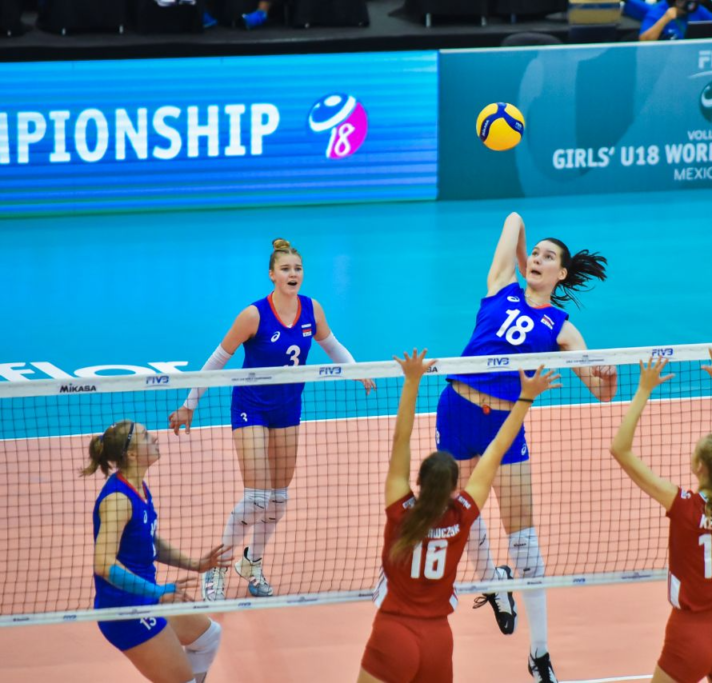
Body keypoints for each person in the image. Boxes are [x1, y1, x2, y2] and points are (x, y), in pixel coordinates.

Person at [436, 212, 618, 683]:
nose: (537, 258)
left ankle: (539, 653)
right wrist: (523, 260)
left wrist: (608, 379)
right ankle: (495, 584)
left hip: (506, 422)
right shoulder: (501, 285)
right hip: (457, 410)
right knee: (459, 516)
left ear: (562, 273)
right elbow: (514, 219)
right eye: (535, 253)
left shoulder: (562, 328)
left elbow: (600, 392)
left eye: (547, 257)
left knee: (524, 541)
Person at [169, 238, 374, 601]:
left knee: (278, 499)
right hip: (251, 407)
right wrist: (189, 404)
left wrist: (356, 370)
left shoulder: (312, 309)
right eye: (286, 269)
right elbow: (217, 360)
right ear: (272, 275)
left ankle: (252, 562)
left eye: (298, 268)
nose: (293, 274)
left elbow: (332, 344)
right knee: (257, 498)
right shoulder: (253, 316)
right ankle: (217, 568)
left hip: (288, 408)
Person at [358, 350, 558, 683]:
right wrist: (525, 398)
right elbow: (495, 451)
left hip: (393, 632)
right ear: (456, 487)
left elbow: (400, 439)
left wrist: (412, 381)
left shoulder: (399, 513)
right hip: (437, 639)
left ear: (417, 481)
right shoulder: (460, 519)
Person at [610, 345, 712, 683]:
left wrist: (644, 389)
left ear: (699, 467)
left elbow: (620, 449)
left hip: (689, 634)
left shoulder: (682, 505)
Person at [85, 420, 232, 683]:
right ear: (131, 454)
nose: (154, 438)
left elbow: (148, 540)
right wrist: (157, 591)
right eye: (145, 436)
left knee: (208, 637)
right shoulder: (118, 500)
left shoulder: (138, 488)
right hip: (125, 611)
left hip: (146, 599)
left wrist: (195, 564)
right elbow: (103, 565)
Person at [639, 1, 712, 41]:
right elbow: (644, 41)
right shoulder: (658, 11)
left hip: (693, 53)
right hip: (667, 57)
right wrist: (665, 19)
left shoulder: (697, 9)